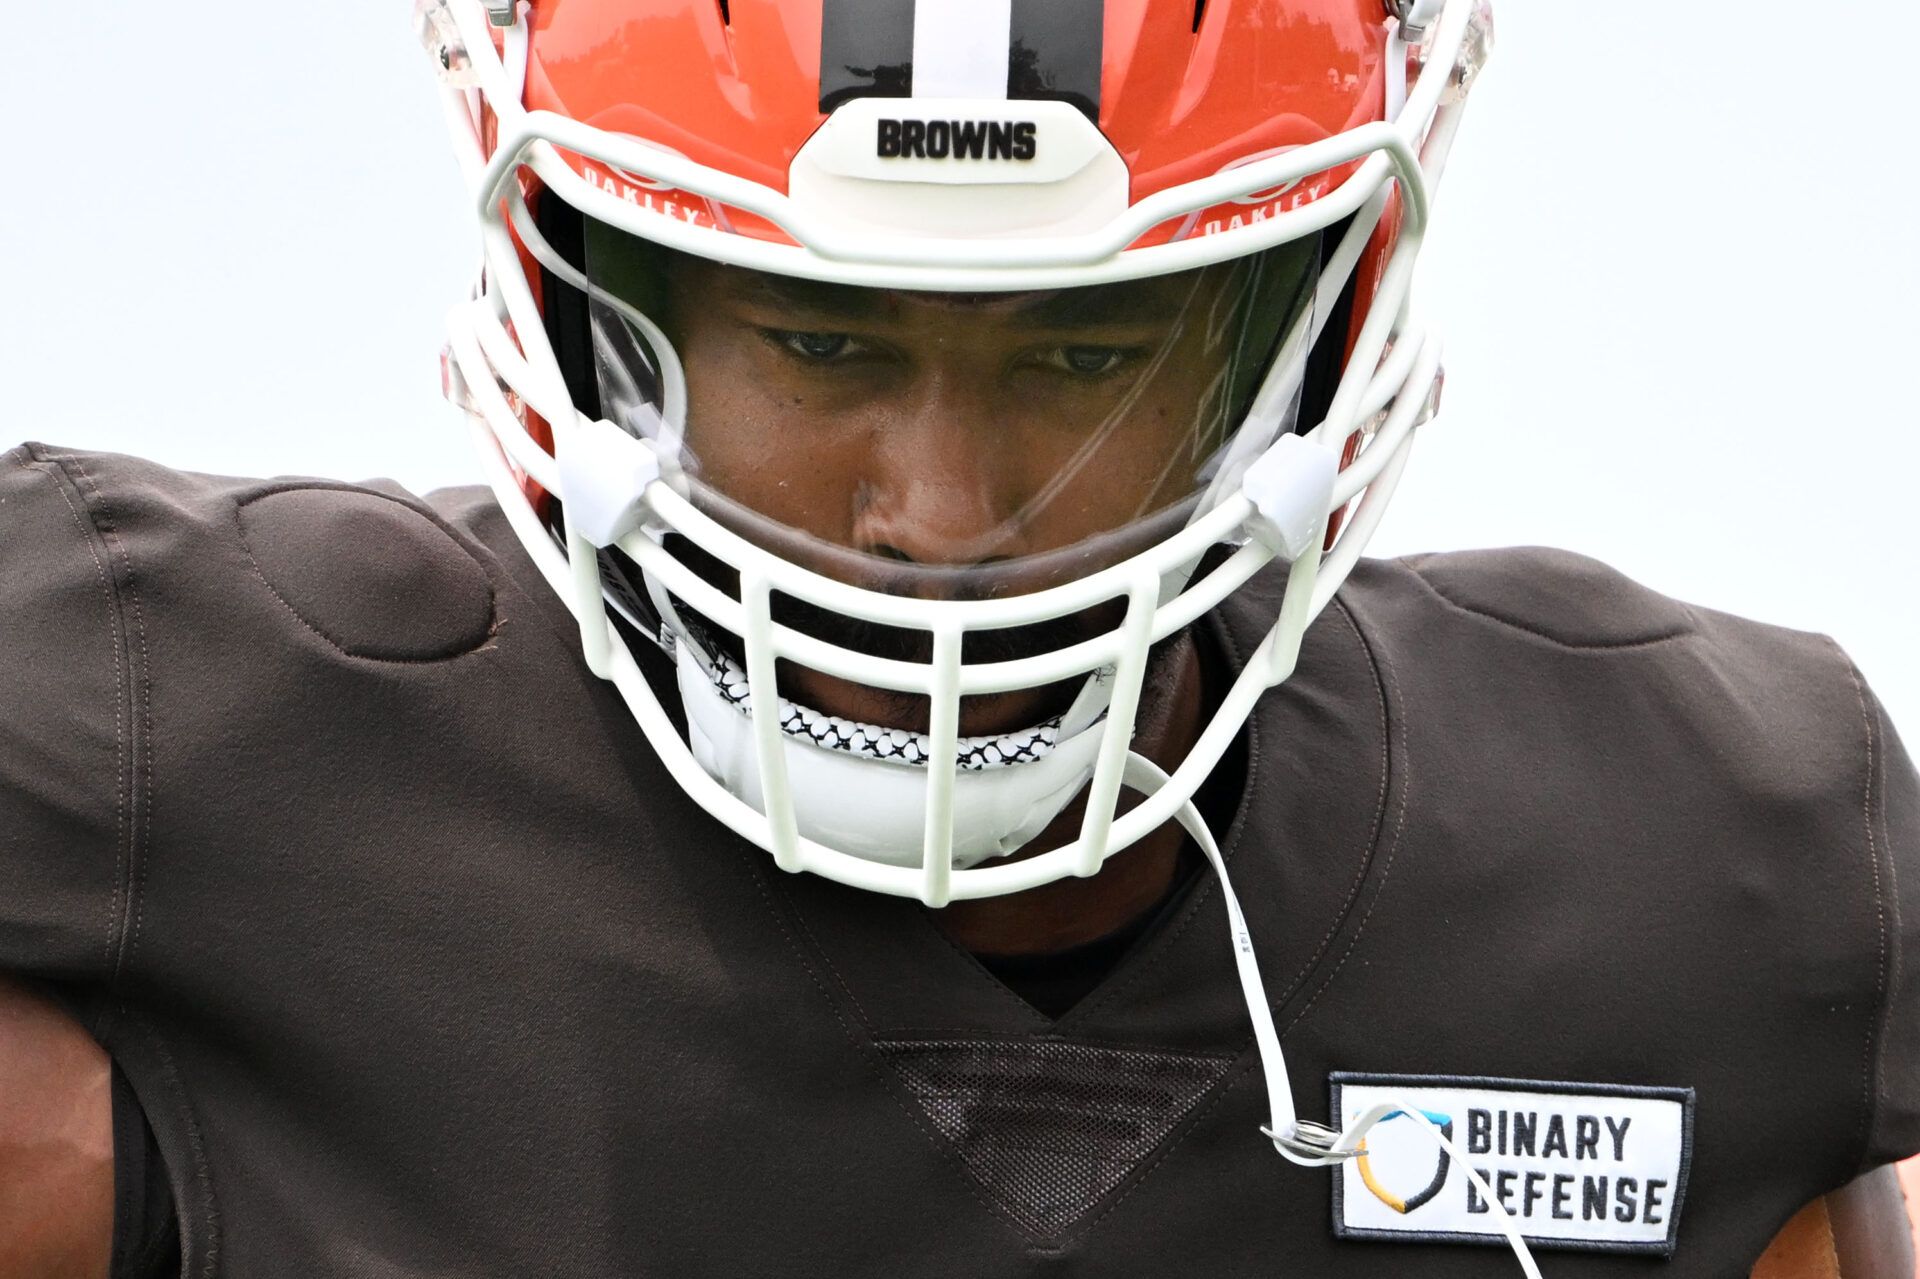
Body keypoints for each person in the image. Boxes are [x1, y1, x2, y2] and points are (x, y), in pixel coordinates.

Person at [1, 0, 1915, 1274]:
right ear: (584, 306)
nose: (935, 511)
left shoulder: (1709, 863)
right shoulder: (168, 731)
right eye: (825, 345)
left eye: (1084, 354)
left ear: (1306, 335)